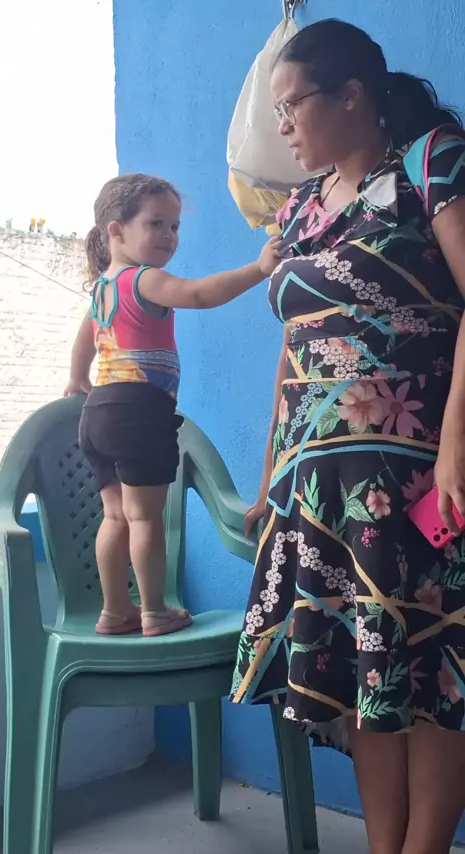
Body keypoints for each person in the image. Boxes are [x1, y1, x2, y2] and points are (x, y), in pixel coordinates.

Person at [230, 19, 465, 854]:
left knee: (431, 679)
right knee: (365, 677)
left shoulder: (432, 163)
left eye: (292, 105)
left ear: (353, 95)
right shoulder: (300, 206)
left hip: (414, 480)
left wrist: (455, 450)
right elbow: (292, 348)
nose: (283, 125)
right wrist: (271, 474)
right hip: (318, 491)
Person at [65, 173, 280, 637]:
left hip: (98, 414)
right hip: (139, 414)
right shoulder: (144, 279)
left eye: (175, 226)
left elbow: (84, 338)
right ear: (116, 231)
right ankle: (154, 611)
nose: (169, 235)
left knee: (115, 516)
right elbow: (200, 294)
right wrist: (259, 269)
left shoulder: (103, 287)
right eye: (156, 223)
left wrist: (77, 377)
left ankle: (114, 610)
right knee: (145, 517)